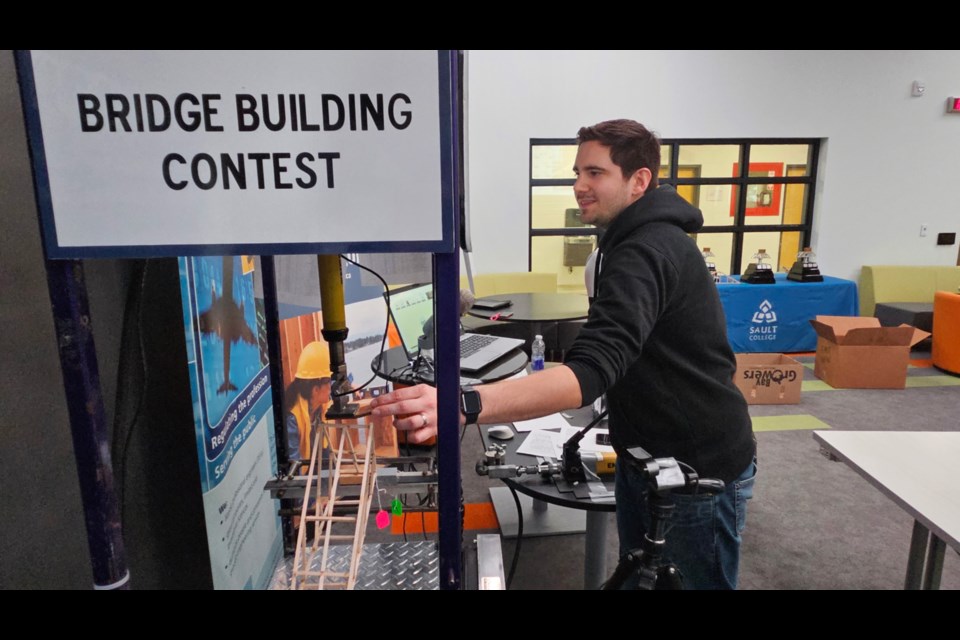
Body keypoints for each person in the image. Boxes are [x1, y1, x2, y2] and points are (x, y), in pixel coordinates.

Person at [370, 119, 756, 589]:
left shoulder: (646, 250)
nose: (579, 186)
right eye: (577, 172)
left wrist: (463, 404)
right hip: (646, 457)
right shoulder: (627, 242)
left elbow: (591, 371)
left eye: (595, 173)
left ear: (639, 181)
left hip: (695, 466)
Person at [284, 341, 333, 465]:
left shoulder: (318, 402)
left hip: (316, 461)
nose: (330, 387)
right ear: (315, 389)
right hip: (303, 473)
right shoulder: (292, 418)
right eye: (328, 382)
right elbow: (295, 466)